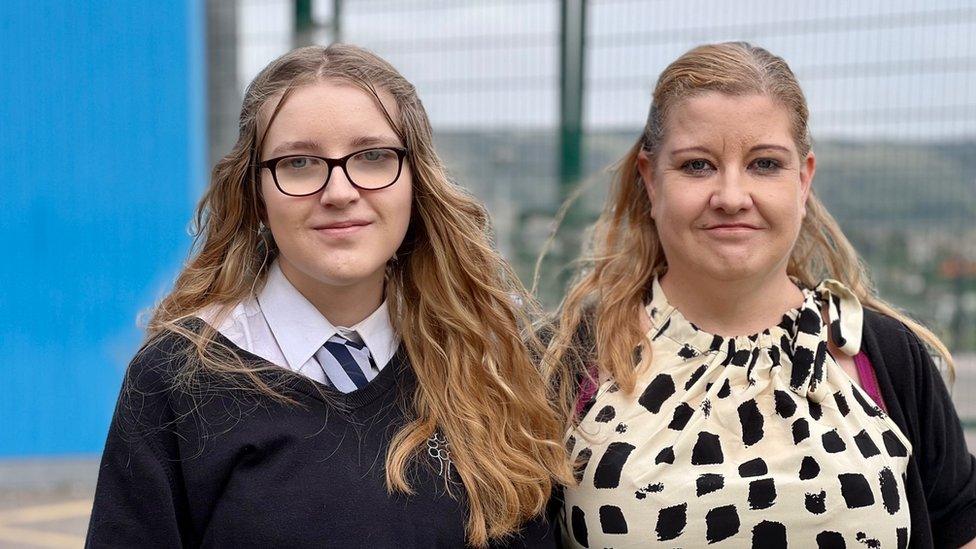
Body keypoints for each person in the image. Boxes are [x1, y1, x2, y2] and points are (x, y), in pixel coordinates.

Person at [86, 44, 571, 548]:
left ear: (415, 180)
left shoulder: (489, 359)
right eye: (299, 162)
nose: (339, 191)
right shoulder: (176, 379)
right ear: (255, 192)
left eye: (372, 156)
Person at [544, 42, 976, 548]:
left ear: (803, 179)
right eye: (697, 166)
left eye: (765, 164)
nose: (731, 196)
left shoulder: (881, 356)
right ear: (651, 180)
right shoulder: (567, 362)